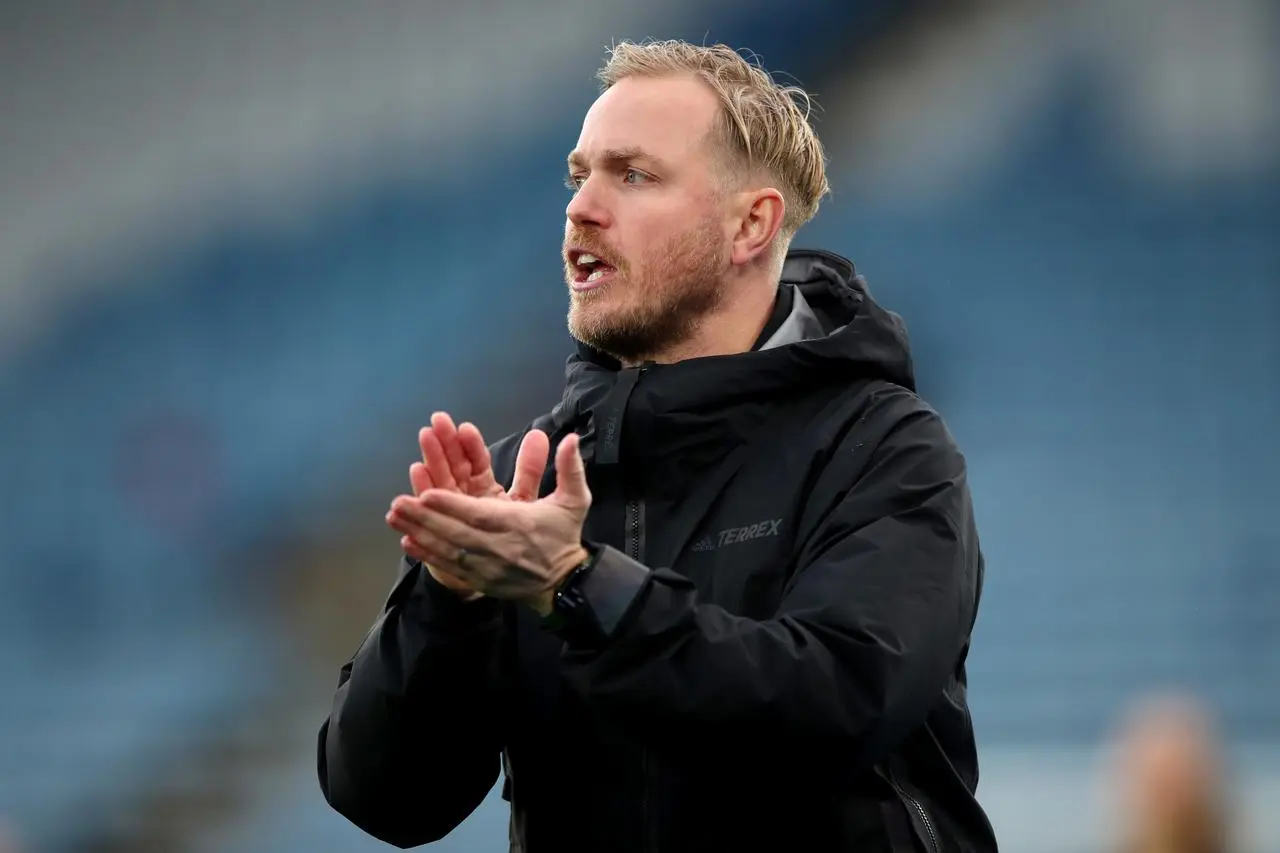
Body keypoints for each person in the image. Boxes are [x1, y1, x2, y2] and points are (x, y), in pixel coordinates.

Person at [318, 40, 998, 852]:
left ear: (752, 222)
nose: (581, 208)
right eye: (579, 176)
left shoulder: (882, 447)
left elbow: (835, 706)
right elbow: (388, 799)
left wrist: (578, 589)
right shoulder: (519, 485)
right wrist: (448, 603)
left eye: (633, 175)